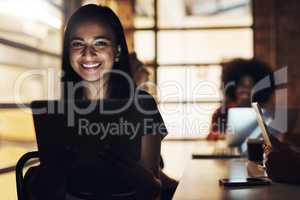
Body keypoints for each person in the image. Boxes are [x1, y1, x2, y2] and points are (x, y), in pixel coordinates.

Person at [24, 4, 167, 200]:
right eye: (77, 44)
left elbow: (152, 191)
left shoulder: (142, 105)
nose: (88, 53)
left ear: (117, 51)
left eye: (100, 43)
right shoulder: (60, 113)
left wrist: (127, 169)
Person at [207, 58, 274, 140]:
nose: (245, 90)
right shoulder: (222, 113)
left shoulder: (264, 112)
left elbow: (273, 137)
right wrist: (220, 136)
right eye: (242, 85)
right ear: (234, 88)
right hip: (227, 152)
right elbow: (211, 137)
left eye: (250, 86)